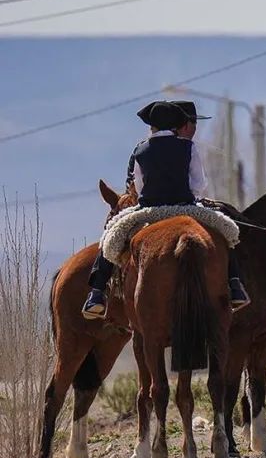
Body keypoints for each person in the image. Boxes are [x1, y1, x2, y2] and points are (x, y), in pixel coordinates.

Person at [83, 101, 250, 319]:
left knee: (111, 235)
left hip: (149, 211)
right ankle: (235, 285)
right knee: (228, 232)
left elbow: (139, 186)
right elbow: (199, 185)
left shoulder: (141, 150)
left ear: (151, 126)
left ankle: (97, 294)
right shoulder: (188, 147)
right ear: (175, 125)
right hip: (186, 208)